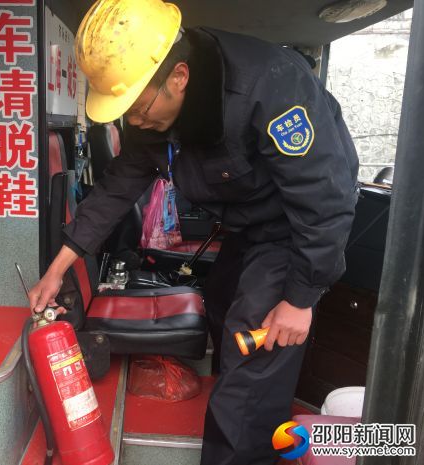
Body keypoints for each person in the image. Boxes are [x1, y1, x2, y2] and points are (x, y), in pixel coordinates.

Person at [28, 0, 359, 463]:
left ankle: (244, 434)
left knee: (255, 357)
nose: (136, 122)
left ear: (179, 77)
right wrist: (58, 268)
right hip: (247, 225)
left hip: (294, 228)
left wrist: (300, 298)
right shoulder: (156, 110)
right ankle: (245, 404)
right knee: (222, 301)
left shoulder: (269, 87)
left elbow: (325, 199)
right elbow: (115, 191)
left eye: (139, 108)